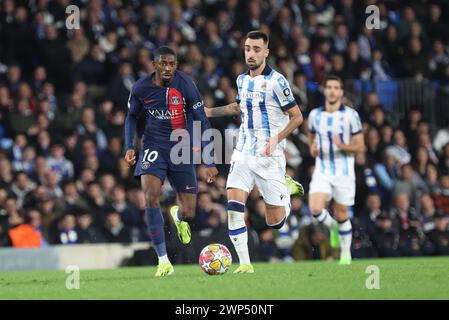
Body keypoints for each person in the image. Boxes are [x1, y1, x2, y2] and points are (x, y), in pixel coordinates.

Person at [205, 31, 304, 273]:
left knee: (276, 222)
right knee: (234, 208)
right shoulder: (241, 80)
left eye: (256, 49)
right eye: (248, 48)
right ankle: (245, 264)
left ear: (266, 53)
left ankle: (285, 189)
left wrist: (276, 138)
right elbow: (239, 106)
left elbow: (297, 116)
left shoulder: (277, 82)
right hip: (243, 152)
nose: (251, 53)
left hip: (269, 156)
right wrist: (210, 112)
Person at [124, 46, 218, 277]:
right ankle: (163, 260)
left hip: (181, 148)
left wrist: (209, 158)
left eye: (172, 64)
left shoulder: (186, 85)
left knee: (189, 212)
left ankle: (178, 215)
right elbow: (131, 117)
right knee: (151, 196)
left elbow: (201, 120)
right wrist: (129, 146)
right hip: (154, 146)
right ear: (154, 64)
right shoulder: (141, 87)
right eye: (163, 63)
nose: (167, 68)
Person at [307, 75, 365, 265]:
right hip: (322, 170)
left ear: (340, 92)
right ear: (325, 90)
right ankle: (332, 227)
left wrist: (343, 146)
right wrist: (312, 148)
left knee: (342, 214)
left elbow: (359, 146)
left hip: (344, 172)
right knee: (315, 208)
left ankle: (346, 255)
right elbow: (311, 135)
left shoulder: (350, 115)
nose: (332, 90)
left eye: (336, 88)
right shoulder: (315, 115)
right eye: (329, 87)